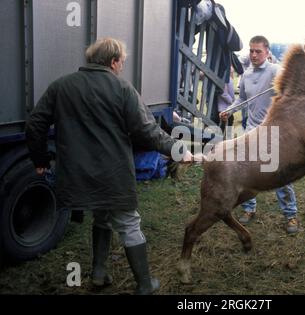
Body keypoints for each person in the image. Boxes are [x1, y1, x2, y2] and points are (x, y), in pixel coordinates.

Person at [25, 38, 196, 295]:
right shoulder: (122, 88)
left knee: (102, 216)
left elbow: (35, 123)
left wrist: (39, 160)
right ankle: (144, 285)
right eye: (122, 63)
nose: (122, 67)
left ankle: (99, 273)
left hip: (77, 175)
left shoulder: (62, 86)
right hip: (113, 174)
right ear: (114, 61)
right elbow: (148, 132)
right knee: (128, 223)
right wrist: (179, 150)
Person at [220, 35, 299, 234]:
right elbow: (242, 100)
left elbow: (292, 83)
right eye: (251, 51)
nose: (254, 54)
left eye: (258, 51)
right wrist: (229, 110)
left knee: (280, 175)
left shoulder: (275, 71)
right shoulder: (246, 75)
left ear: (267, 52)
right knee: (246, 173)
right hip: (251, 131)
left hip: (273, 131)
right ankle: (249, 208)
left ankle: (291, 215)